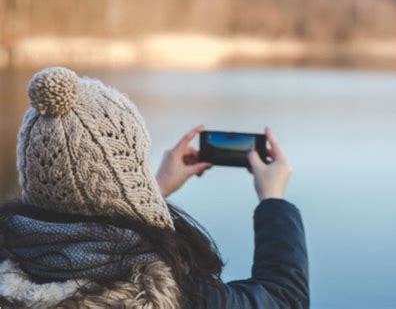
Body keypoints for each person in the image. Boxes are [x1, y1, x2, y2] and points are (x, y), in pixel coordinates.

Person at [0, 67, 309, 309]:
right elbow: (283, 298)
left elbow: (81, 232)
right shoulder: (175, 293)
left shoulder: (9, 270)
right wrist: (273, 200)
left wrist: (154, 189)